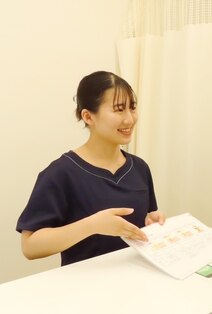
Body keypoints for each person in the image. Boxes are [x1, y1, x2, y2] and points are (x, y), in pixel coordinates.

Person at [16, 71, 165, 266]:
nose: (129, 119)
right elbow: (30, 247)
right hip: (84, 289)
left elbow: (142, 221)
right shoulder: (61, 173)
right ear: (88, 116)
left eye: (132, 108)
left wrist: (152, 224)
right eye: (119, 109)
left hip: (137, 282)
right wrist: (92, 225)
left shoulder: (139, 168)